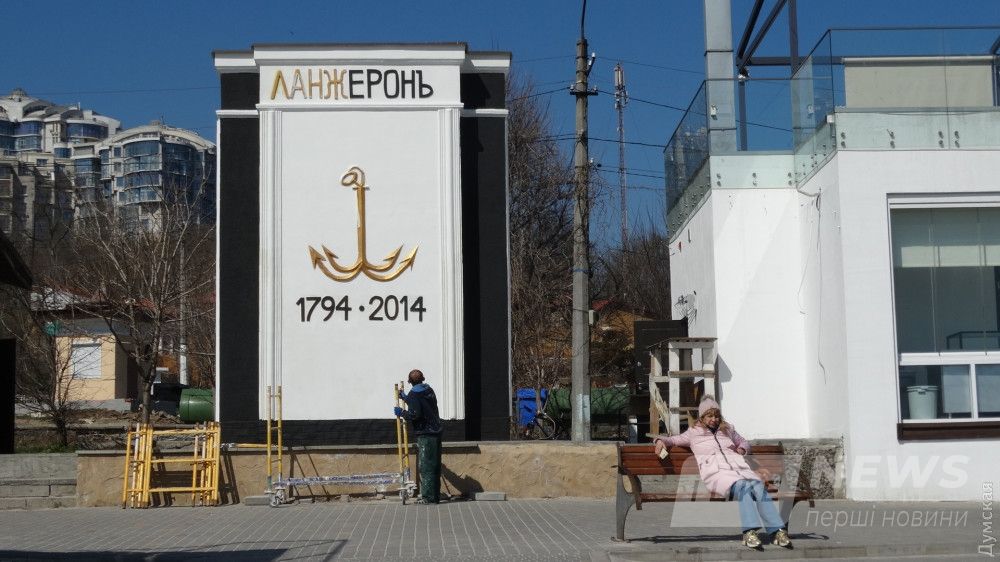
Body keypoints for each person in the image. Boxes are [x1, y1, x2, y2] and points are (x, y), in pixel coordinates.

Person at [653, 395, 792, 550]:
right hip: (717, 475)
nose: (714, 419)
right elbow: (673, 440)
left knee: (759, 486)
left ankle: (777, 532)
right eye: (710, 416)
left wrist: (742, 449)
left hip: (741, 470)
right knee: (745, 488)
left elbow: (744, 442)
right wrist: (659, 441)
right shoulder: (693, 433)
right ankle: (749, 533)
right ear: (702, 417)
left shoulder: (728, 430)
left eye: (717, 416)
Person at [394, 369, 443, 504]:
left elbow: (415, 414)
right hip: (436, 431)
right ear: (423, 379)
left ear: (410, 381)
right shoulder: (429, 390)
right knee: (434, 465)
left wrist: (402, 412)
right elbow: (421, 403)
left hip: (426, 433)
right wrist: (405, 398)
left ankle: (428, 498)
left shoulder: (414, 394)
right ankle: (434, 495)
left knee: (426, 466)